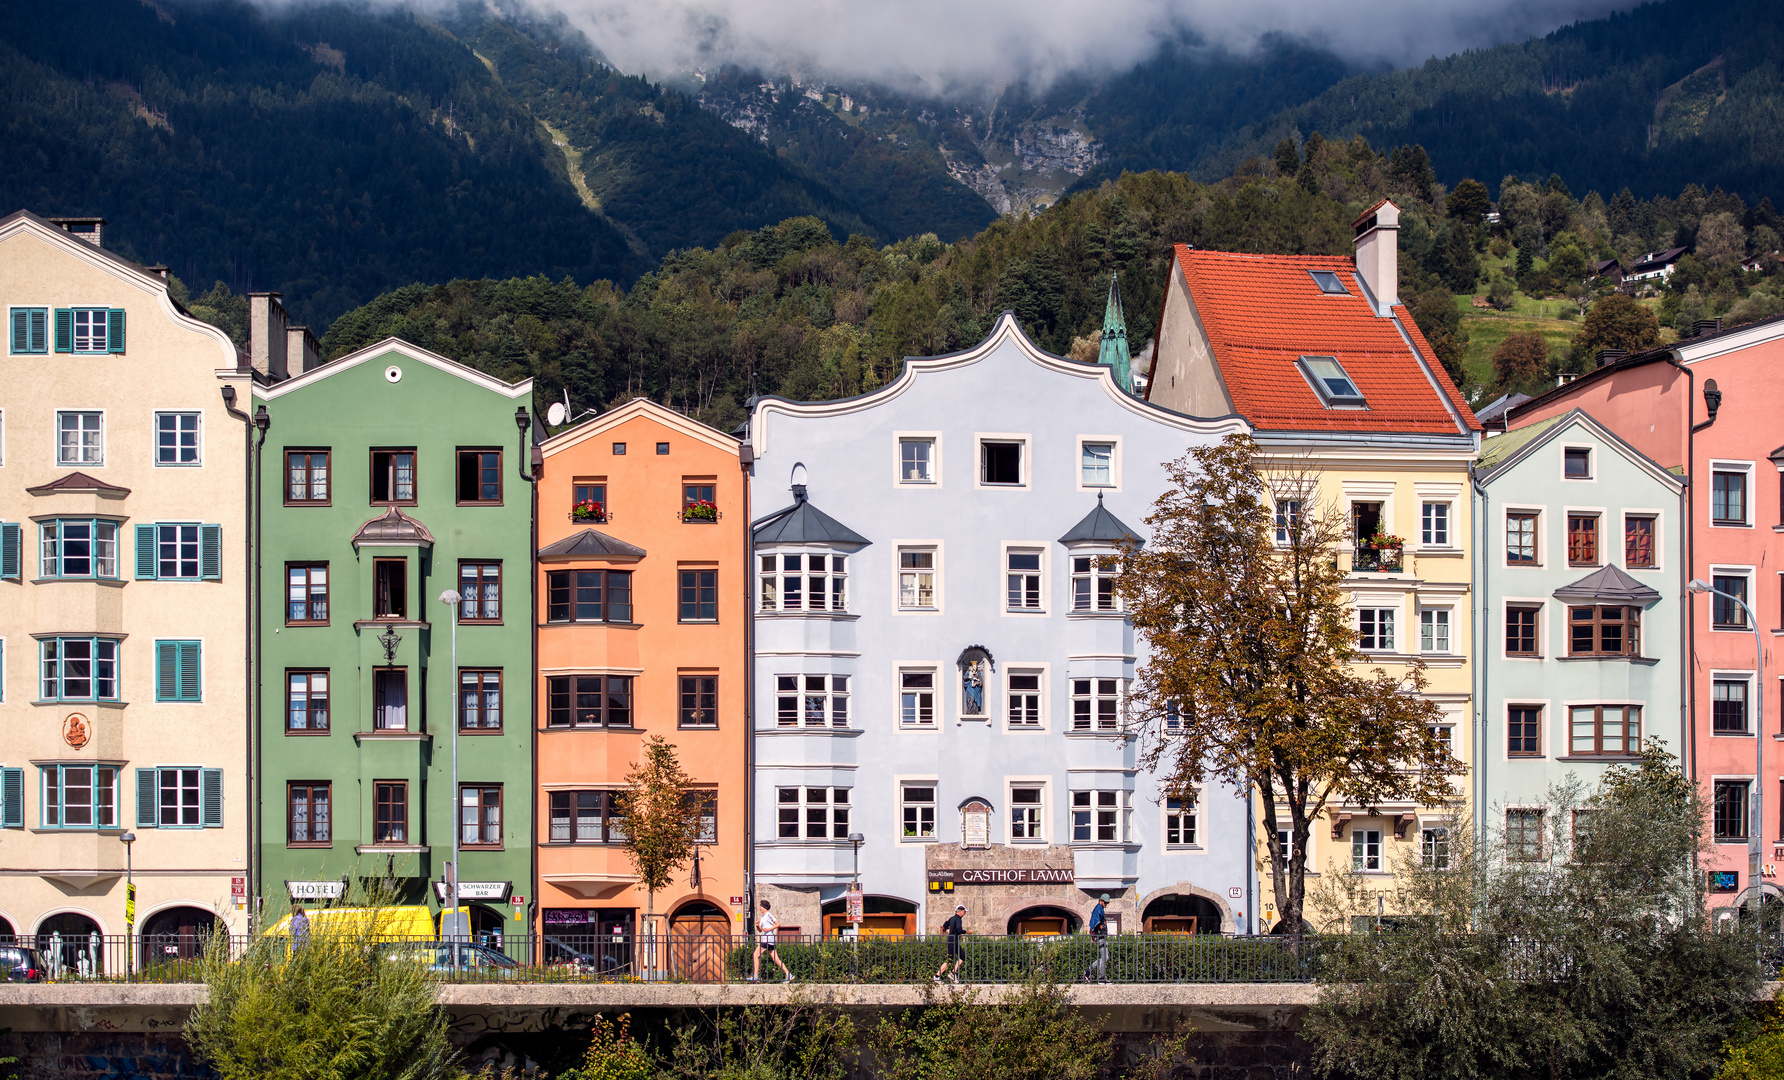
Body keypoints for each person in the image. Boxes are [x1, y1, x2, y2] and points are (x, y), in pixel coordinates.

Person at [750, 899, 793, 983]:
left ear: (764, 907)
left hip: (768, 939)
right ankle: (788, 974)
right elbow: (761, 930)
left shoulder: (769, 915)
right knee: (775, 959)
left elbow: (778, 924)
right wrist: (757, 926)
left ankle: (755, 976)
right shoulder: (762, 917)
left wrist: (769, 929)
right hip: (768, 940)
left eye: (761, 907)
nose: (760, 909)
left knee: (755, 955)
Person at [934, 904, 968, 984]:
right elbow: (959, 930)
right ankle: (937, 976)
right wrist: (967, 932)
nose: (965, 913)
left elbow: (945, 925)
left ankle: (953, 973)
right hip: (953, 941)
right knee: (950, 960)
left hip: (952, 941)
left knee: (962, 956)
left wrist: (947, 930)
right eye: (964, 912)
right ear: (960, 911)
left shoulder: (952, 919)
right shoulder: (958, 919)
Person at [1084, 894, 1109, 983]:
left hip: (1102, 936)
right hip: (1100, 936)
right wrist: (1092, 936)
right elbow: (1093, 923)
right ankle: (1101, 978)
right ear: (1100, 900)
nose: (1106, 904)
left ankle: (1088, 971)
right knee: (1104, 957)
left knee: (1105, 958)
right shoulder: (1098, 909)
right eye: (1105, 902)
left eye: (1107, 903)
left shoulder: (1100, 909)